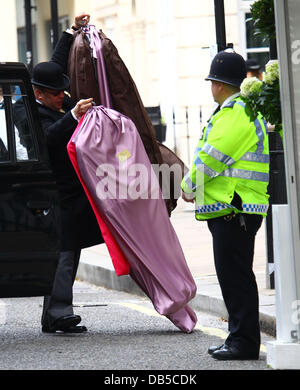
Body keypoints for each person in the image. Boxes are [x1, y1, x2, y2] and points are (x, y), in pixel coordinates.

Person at [181, 51, 269, 360]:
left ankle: (243, 343)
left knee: (236, 277)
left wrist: (188, 186)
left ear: (217, 84)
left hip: (235, 208)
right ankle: (237, 338)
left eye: (212, 82)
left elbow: (211, 159)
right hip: (234, 208)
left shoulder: (234, 113)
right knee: (234, 276)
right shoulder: (237, 111)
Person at [31, 14, 104, 334]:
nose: (63, 94)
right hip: (54, 193)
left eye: (63, 91)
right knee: (64, 251)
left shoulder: (53, 98)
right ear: (39, 94)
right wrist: (73, 115)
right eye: (56, 92)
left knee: (69, 250)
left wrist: (70, 33)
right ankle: (59, 312)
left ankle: (54, 314)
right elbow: (46, 140)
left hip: (73, 193)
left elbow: (56, 66)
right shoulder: (28, 112)